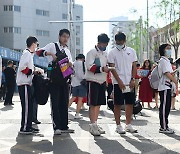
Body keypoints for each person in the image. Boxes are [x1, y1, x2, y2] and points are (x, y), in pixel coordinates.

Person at [37, 29, 74, 135]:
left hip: (65, 80)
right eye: (64, 36)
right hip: (54, 80)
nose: (65, 39)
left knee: (64, 103)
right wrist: (50, 54)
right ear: (59, 36)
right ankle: (56, 126)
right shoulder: (52, 46)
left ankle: (64, 126)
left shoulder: (67, 50)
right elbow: (38, 52)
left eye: (67, 37)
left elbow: (70, 62)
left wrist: (70, 64)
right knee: (55, 103)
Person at [108, 32, 138, 134]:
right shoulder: (112, 52)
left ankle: (128, 124)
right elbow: (112, 68)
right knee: (118, 104)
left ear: (125, 41)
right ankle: (118, 125)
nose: (119, 43)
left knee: (130, 104)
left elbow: (134, 66)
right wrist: (119, 81)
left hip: (129, 82)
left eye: (121, 41)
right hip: (118, 83)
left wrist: (133, 79)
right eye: (117, 41)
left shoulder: (131, 51)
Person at [86, 33, 110, 136]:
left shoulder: (105, 54)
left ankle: (95, 123)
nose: (105, 46)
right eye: (104, 44)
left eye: (106, 44)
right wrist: (101, 69)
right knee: (93, 104)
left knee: (98, 104)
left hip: (102, 81)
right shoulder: (91, 52)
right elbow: (89, 66)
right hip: (93, 80)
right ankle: (92, 125)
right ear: (99, 42)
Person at [16, 36, 40, 134]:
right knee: (26, 107)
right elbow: (22, 67)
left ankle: (28, 125)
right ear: (33, 44)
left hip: (27, 83)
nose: (37, 47)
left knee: (29, 106)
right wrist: (32, 72)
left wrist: (34, 71)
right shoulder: (26, 54)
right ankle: (25, 127)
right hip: (24, 83)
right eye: (37, 44)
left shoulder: (30, 55)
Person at [158, 43, 178, 134]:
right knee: (164, 107)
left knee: (167, 107)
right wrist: (175, 80)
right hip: (164, 86)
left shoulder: (167, 61)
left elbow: (168, 73)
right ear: (163, 50)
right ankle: (163, 127)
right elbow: (166, 73)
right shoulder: (163, 60)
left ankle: (165, 125)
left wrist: (173, 73)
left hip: (167, 86)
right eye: (168, 48)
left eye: (170, 48)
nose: (169, 50)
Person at [68, 54, 86, 119]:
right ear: (82, 58)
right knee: (80, 99)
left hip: (74, 83)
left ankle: (65, 110)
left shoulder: (73, 63)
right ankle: (77, 114)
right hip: (81, 83)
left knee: (73, 97)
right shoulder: (82, 64)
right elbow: (81, 75)